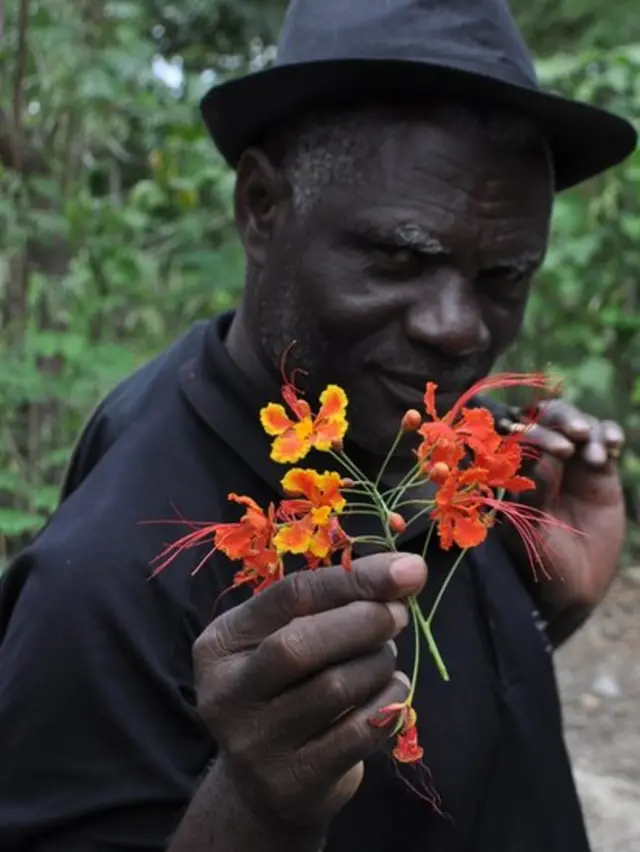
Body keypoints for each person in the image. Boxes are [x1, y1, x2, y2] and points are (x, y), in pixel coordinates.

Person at [0, 1, 636, 850]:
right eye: (399, 259)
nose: (458, 331)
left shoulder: (427, 433)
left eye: (503, 276)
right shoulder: (109, 573)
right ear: (261, 207)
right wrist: (256, 808)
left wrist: (546, 612)